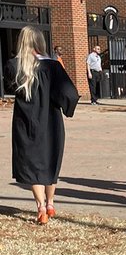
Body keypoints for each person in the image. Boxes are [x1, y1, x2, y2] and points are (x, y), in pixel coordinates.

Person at [5, 26, 78, 223]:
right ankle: (51, 203)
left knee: (32, 162)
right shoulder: (53, 67)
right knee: (50, 160)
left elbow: (11, 87)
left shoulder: (14, 65)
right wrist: (67, 108)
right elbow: (70, 93)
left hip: (25, 121)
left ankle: (41, 207)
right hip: (50, 121)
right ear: (40, 42)